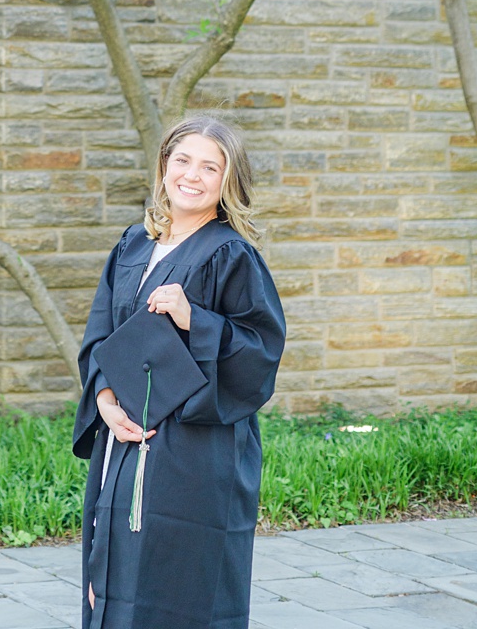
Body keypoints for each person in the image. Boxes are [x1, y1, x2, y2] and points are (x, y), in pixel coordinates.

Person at [73, 115, 286, 629]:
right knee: (114, 570)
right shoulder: (133, 245)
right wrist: (104, 398)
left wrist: (197, 320)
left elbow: (261, 349)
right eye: (183, 160)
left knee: (181, 584)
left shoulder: (230, 254)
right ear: (164, 164)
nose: (192, 175)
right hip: (125, 437)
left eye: (210, 167)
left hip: (196, 454)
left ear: (228, 182)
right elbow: (102, 335)